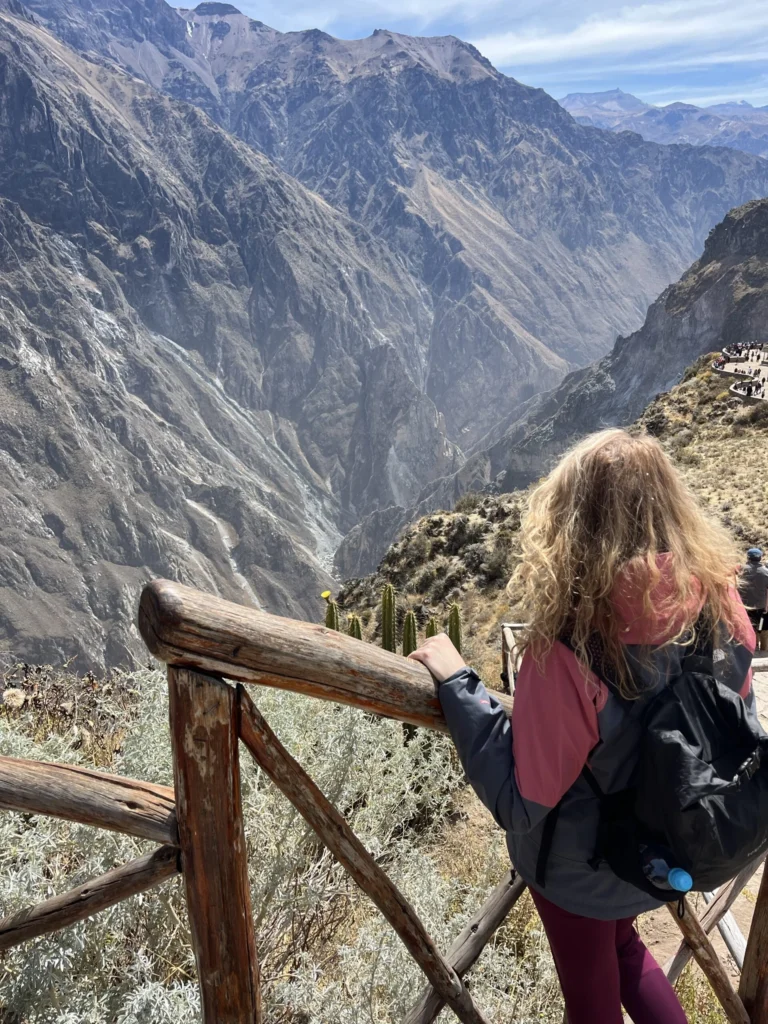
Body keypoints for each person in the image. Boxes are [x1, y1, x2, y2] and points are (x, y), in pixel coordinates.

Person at [409, 429, 755, 1024]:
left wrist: (461, 688)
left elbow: (525, 800)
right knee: (624, 949)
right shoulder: (721, 602)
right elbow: (731, 716)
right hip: (660, 846)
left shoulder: (568, 649)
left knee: (590, 1002)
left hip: (581, 865)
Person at [739, 548, 768, 652]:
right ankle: (764, 651)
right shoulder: (766, 572)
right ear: (760, 557)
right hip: (761, 606)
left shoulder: (741, 570)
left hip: (744, 605)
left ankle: (751, 649)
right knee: (763, 629)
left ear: (748, 557)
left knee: (748, 628)